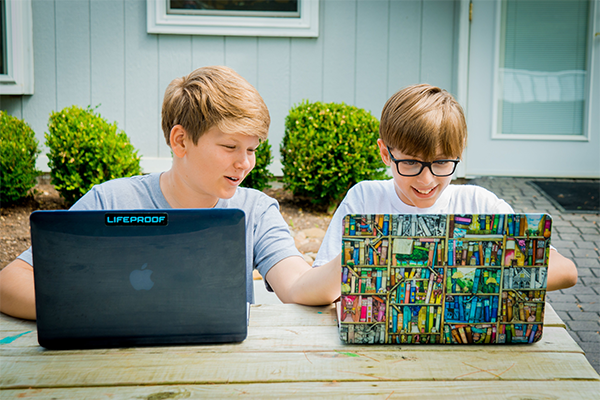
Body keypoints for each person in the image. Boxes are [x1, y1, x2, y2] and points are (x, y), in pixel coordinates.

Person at [0, 66, 341, 320]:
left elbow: (297, 286)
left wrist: (355, 263)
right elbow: (10, 282)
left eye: (252, 149)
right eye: (230, 146)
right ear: (180, 141)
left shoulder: (255, 210)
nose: (245, 163)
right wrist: (105, 306)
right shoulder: (111, 201)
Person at [313, 83, 577, 292]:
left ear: (458, 153)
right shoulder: (364, 199)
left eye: (441, 162)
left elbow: (566, 272)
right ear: (385, 154)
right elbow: (313, 285)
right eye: (410, 162)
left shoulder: (478, 204)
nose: (426, 180)